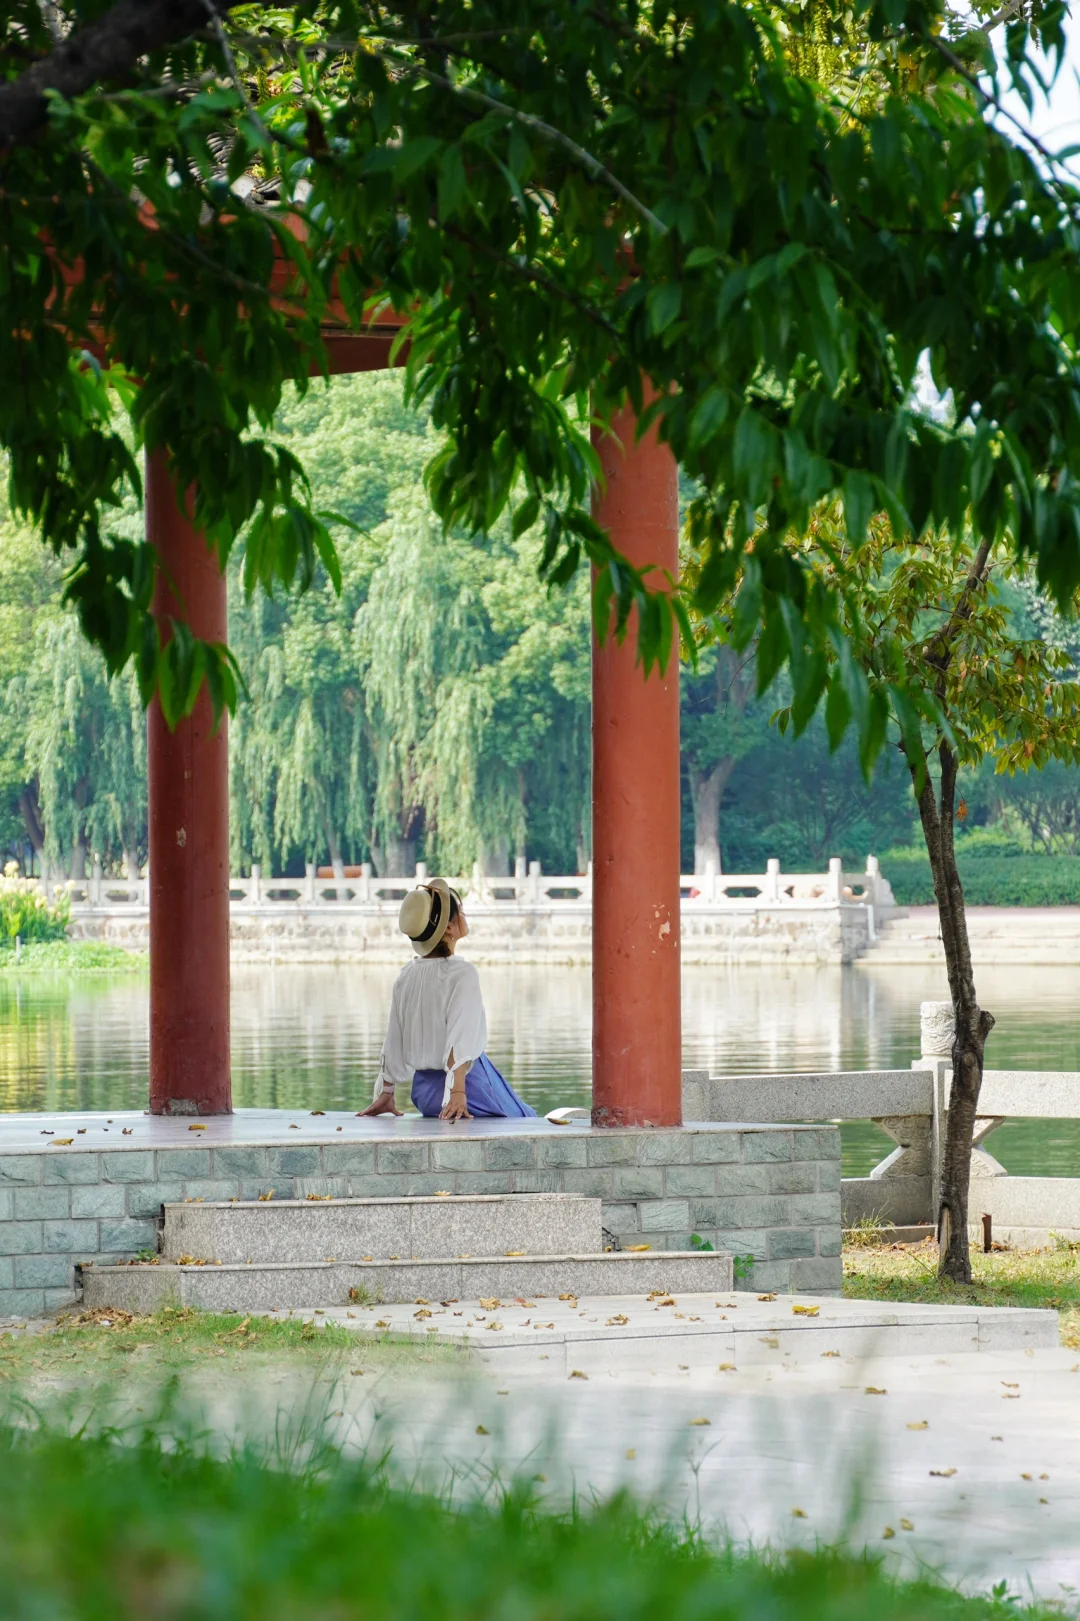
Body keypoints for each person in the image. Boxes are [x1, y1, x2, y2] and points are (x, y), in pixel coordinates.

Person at [359, 878, 536, 1123]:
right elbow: (460, 1037)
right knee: (526, 1119)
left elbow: (394, 1039)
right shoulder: (462, 974)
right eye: (460, 912)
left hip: (424, 1095)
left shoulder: (405, 976)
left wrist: (386, 1092)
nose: (464, 915)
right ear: (450, 929)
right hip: (466, 1089)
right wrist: (457, 1093)